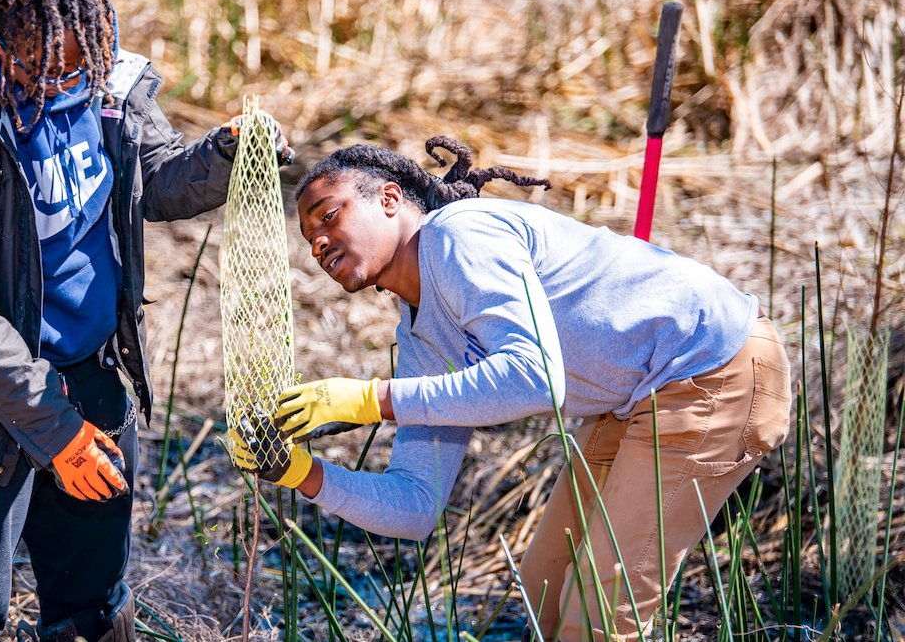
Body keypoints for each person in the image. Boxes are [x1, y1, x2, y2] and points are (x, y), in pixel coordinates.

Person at [0, 0, 291, 642]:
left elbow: (152, 179)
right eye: (45, 69)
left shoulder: (104, 79)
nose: (65, 83)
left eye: (78, 66)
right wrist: (56, 432)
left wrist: (223, 156)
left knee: (93, 604)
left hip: (88, 371)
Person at [229, 136, 791, 641]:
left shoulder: (459, 236)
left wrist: (373, 399)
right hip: (634, 402)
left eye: (329, 216)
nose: (320, 243)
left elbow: (536, 378)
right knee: (544, 593)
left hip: (713, 372)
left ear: (390, 199)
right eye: (309, 239)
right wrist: (304, 475)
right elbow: (417, 507)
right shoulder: (420, 334)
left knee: (597, 614)